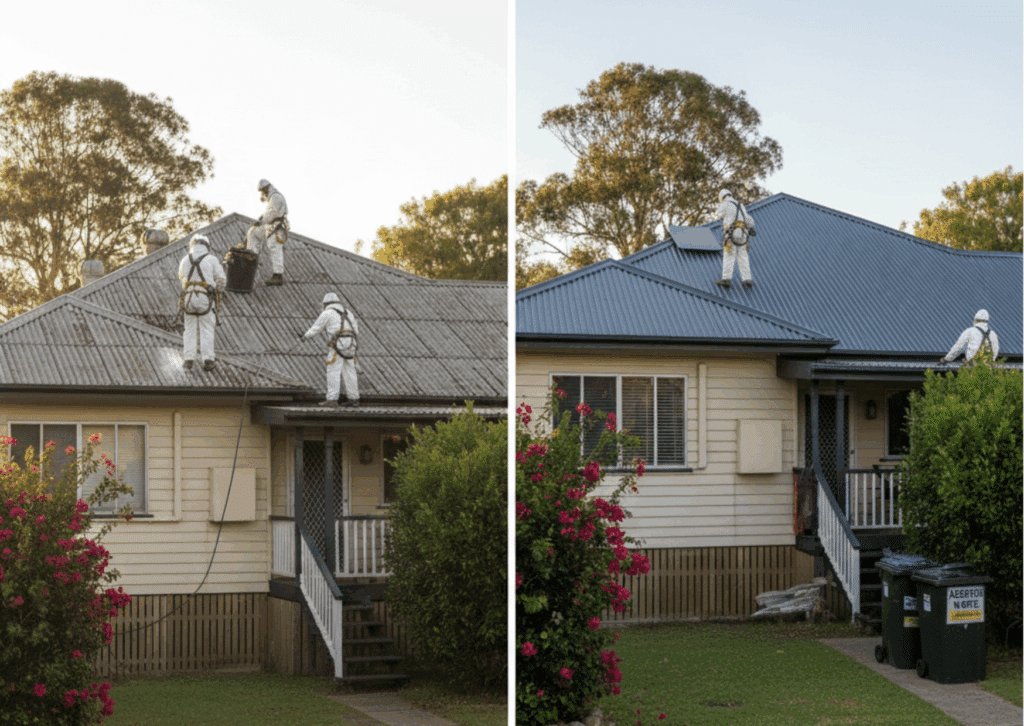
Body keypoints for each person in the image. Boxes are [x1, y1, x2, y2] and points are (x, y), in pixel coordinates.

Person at [178, 235, 227, 371]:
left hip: (188, 298)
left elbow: (182, 278)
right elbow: (222, 281)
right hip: (205, 298)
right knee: (206, 328)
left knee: (189, 329)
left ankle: (188, 360)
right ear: (207, 246)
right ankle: (208, 360)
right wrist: (217, 288)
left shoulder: (185, 260)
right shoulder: (211, 259)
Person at [301, 293, 360, 406]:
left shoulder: (327, 313)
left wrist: (305, 336)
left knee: (333, 369)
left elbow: (316, 327)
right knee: (350, 370)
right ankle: (354, 399)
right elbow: (356, 330)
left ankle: (332, 399)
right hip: (351, 344)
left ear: (326, 304)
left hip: (338, 344)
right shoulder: (348, 313)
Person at [246, 178, 289, 285]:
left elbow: (271, 214)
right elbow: (269, 212)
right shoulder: (272, 198)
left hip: (275, 226)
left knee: (275, 248)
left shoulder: (276, 197)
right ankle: (252, 256)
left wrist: (260, 221)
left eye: (263, 191)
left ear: (266, 188)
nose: (262, 193)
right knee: (253, 232)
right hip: (270, 226)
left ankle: (278, 275)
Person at [715, 189, 756, 289]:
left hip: (732, 233)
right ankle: (747, 279)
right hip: (743, 234)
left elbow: (719, 214)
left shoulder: (725, 203)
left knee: (729, 255)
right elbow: (747, 219)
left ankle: (726, 279)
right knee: (743, 256)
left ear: (722, 197)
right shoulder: (740, 204)